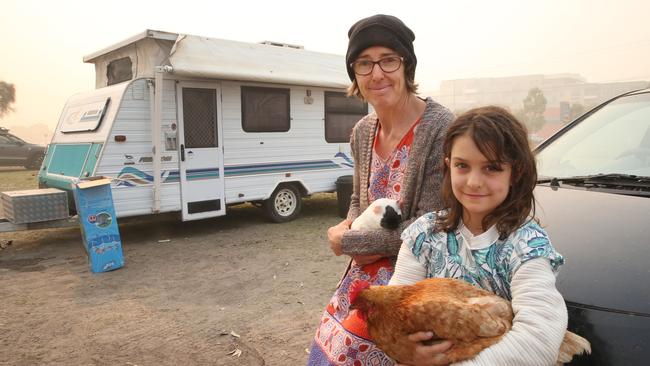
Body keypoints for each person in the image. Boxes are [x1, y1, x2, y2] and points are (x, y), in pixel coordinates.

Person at [307, 14, 454, 365]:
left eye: (388, 59)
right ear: (354, 74)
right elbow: (360, 201)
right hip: (362, 281)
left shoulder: (440, 127)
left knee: (352, 352)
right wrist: (347, 224)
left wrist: (349, 242)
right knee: (323, 349)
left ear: (407, 67)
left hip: (414, 283)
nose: (376, 73)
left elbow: (431, 226)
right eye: (364, 63)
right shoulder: (362, 131)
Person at [389, 106, 568, 366]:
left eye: (491, 168)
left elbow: (539, 338)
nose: (473, 181)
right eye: (462, 165)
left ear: (515, 172)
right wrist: (405, 350)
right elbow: (394, 313)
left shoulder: (526, 245)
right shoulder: (423, 236)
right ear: (448, 165)